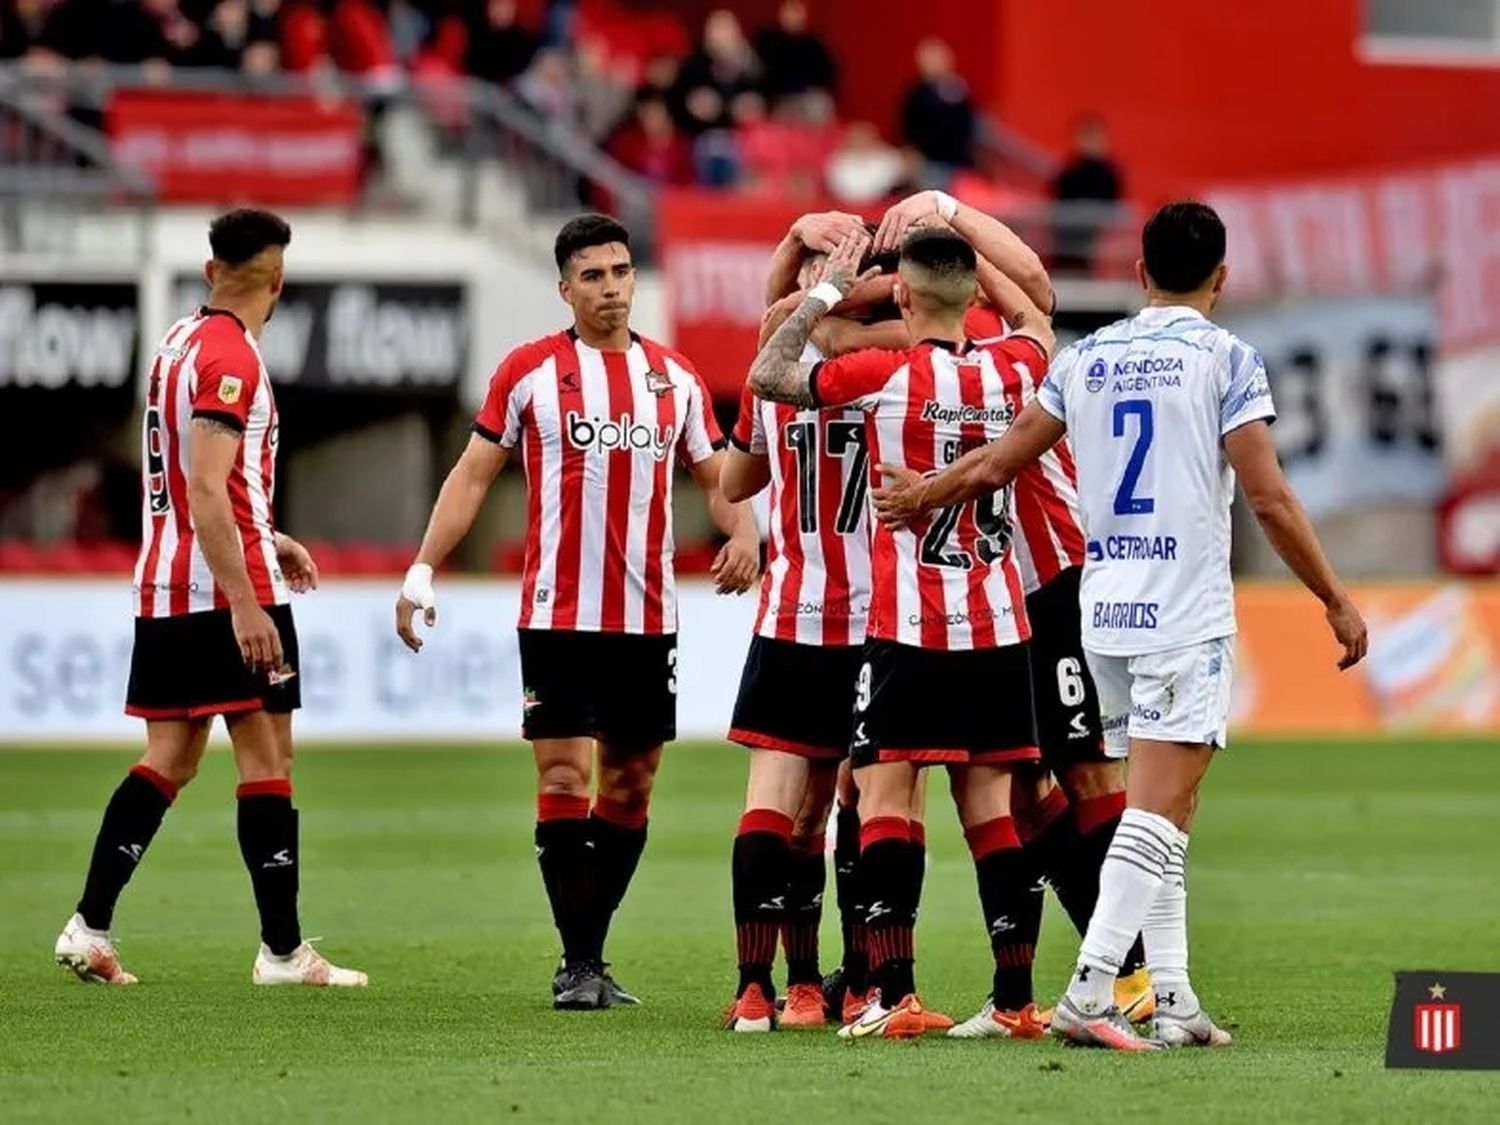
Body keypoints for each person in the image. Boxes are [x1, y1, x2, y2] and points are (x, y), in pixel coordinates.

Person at [872, 200, 1369, 1050]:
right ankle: (1091, 987)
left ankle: (1172, 994)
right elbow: (1269, 494)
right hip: (1182, 611)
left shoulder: (1088, 358)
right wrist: (1332, 594)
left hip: (1102, 611)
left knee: (1169, 807)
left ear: (1139, 273)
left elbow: (1001, 459)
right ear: (1223, 276)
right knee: (1155, 808)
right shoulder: (1228, 359)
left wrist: (921, 492)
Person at [395, 214, 760, 1011]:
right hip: (557, 614)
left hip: (646, 616)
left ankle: (585, 955)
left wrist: (748, 533)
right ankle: (580, 961)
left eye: (621, 271)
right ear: (564, 289)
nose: (610, 288)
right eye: (592, 276)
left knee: (630, 785)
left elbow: (718, 479)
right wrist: (424, 567)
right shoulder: (528, 373)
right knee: (562, 772)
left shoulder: (677, 379)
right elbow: (471, 475)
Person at [749, 224, 1056, 1039]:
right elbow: (1038, 317)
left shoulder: (884, 377)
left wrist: (827, 289)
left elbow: (770, 372)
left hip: (909, 625)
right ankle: (1017, 1000)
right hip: (998, 620)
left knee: (884, 794)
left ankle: (894, 993)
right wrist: (973, 250)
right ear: (975, 296)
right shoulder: (1018, 366)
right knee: (992, 807)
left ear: (905, 296)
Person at [54, 209, 366, 989]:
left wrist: (271, 532)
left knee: (171, 756)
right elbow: (202, 483)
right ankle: (284, 952)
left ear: (209, 271)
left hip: (164, 582)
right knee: (268, 760)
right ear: (278, 279)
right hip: (224, 589)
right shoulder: (233, 356)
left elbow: (203, 480)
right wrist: (245, 599)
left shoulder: (177, 343)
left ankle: (88, 925)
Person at [720, 211, 883, 1032]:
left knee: (775, 806)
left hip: (791, 616)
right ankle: (848, 986)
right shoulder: (891, 370)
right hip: (872, 623)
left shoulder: (772, 376)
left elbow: (740, 477)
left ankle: (762, 988)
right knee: (850, 807)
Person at [1052, 115, 1124, 272]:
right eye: (1086, 136)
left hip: (1099, 240)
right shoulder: (1068, 173)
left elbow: (1115, 208)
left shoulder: (1110, 174)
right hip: (1071, 244)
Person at [899, 38, 976, 182]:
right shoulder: (915, 94)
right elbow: (908, 131)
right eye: (929, 60)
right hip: (929, 164)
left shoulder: (959, 90)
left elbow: (968, 124)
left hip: (959, 163)